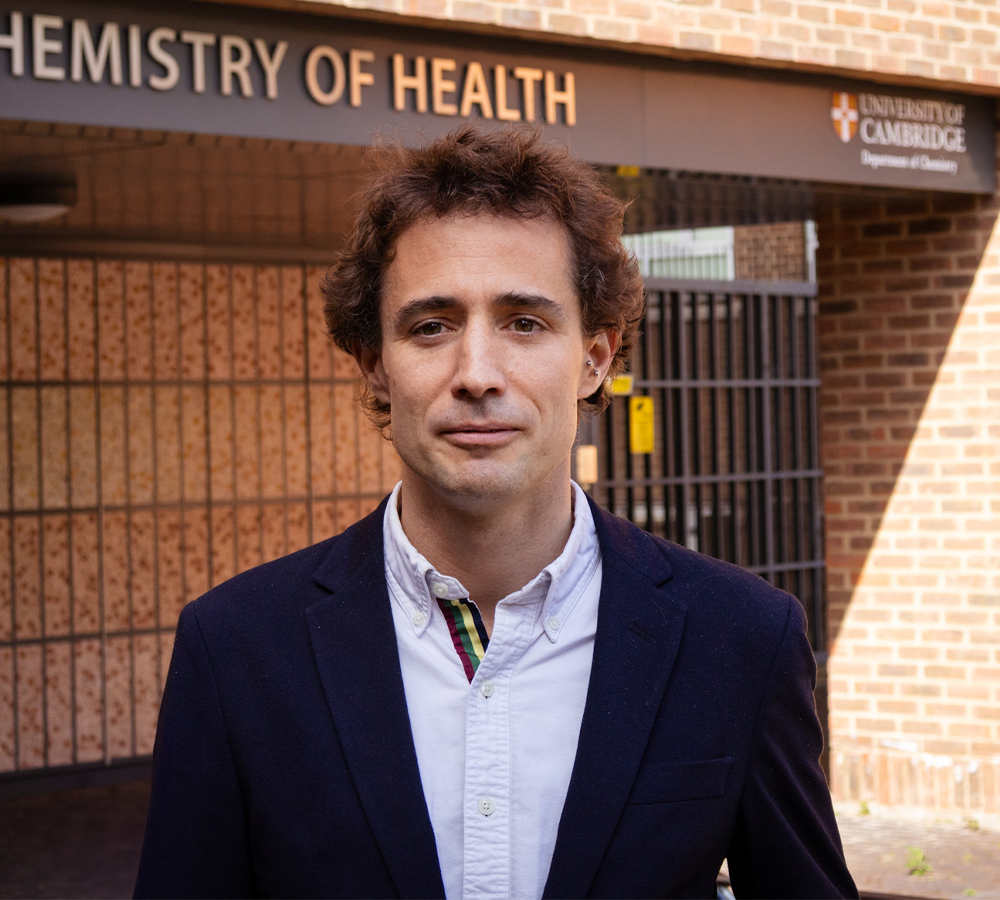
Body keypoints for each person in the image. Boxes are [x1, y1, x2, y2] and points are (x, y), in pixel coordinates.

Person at [133, 126, 858, 900]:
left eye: (524, 322)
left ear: (596, 357)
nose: (477, 374)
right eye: (431, 326)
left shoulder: (740, 638)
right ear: (376, 365)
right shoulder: (236, 646)